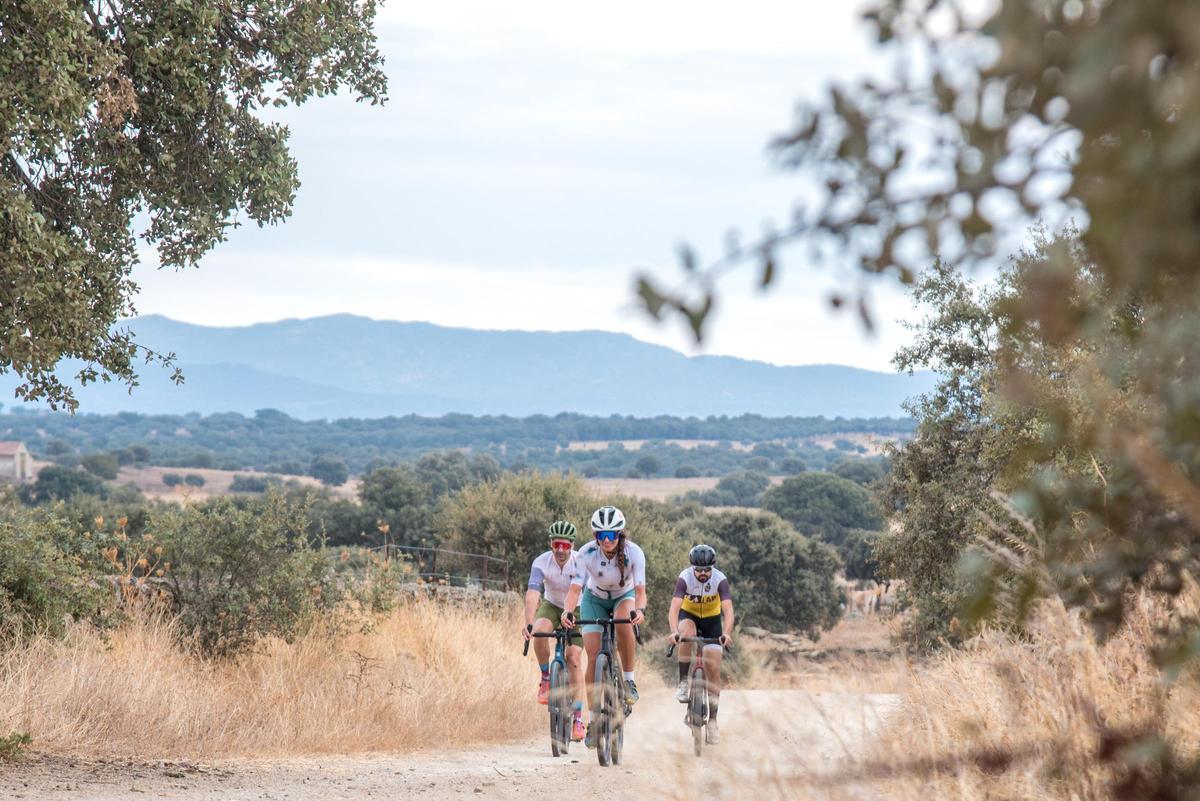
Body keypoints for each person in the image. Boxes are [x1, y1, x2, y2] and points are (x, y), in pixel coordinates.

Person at [560, 505, 647, 749]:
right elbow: (575, 589)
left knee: (624, 623)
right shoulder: (586, 554)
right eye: (601, 535)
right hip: (594, 599)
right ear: (595, 536)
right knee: (593, 654)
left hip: (623, 596)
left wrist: (639, 611)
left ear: (620, 534)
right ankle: (594, 720)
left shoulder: (634, 553)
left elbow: (640, 592)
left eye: (611, 535)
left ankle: (628, 680)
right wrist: (567, 611)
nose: (606, 540)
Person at [523, 520, 586, 742]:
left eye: (565, 546)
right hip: (552, 605)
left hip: (577, 608)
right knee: (539, 633)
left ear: (572, 545)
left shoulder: (580, 562)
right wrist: (529, 622)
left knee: (574, 658)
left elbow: (584, 590)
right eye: (557, 544)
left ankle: (578, 717)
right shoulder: (541, 562)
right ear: (551, 544)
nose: (560, 550)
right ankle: (546, 677)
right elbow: (533, 594)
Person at [667, 543, 734, 745]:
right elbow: (674, 609)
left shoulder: (720, 579)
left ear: (712, 567)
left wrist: (726, 633)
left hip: (713, 622)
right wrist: (673, 631)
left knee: (713, 668)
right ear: (692, 567)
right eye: (699, 570)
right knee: (686, 633)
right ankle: (683, 681)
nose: (703, 573)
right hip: (690, 616)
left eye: (707, 570)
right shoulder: (685, 577)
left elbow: (729, 611)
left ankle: (713, 721)